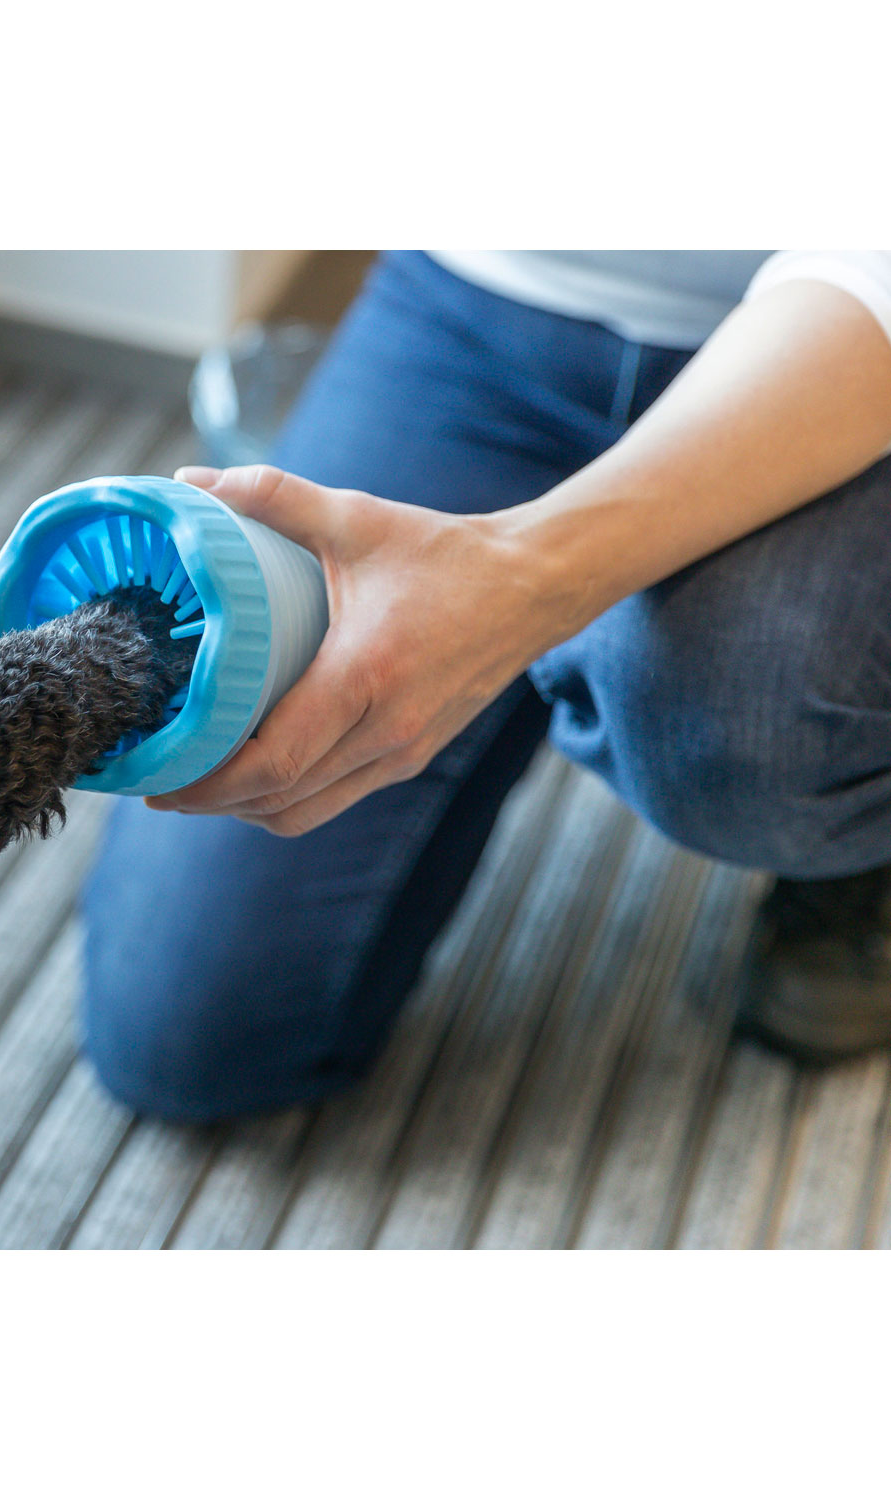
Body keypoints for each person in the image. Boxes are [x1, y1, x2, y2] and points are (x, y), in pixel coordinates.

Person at [78, 250, 891, 1121]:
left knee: (730, 719)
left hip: (845, 323)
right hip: (484, 306)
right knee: (187, 1039)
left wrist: (525, 581)